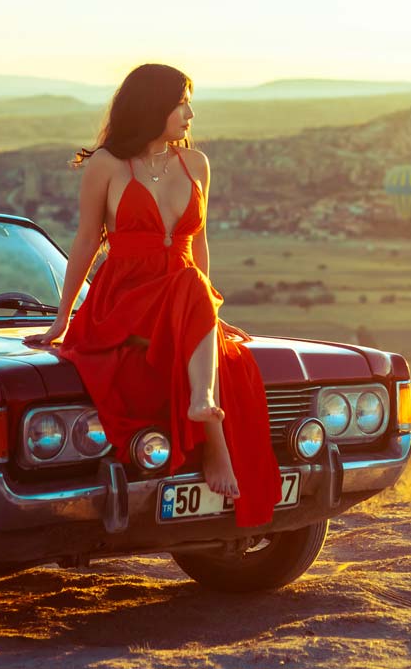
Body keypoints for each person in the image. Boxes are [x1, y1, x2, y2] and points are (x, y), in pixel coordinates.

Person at [23, 63, 281, 527]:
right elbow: (86, 241)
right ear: (152, 106)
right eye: (181, 102)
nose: (190, 113)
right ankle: (210, 425)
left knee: (192, 283)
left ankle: (205, 408)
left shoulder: (197, 164)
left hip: (182, 294)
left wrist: (208, 313)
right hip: (125, 296)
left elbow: (198, 243)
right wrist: (63, 319)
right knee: (191, 288)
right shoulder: (106, 165)